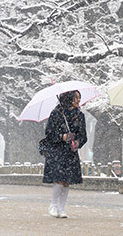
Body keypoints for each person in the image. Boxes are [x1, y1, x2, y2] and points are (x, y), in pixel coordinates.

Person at [42, 90, 88, 218]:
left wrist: (78, 142)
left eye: (80, 97)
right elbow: (49, 134)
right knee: (59, 179)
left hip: (71, 152)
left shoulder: (80, 115)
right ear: (69, 98)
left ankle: (62, 208)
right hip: (57, 151)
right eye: (76, 97)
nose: (79, 100)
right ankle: (53, 205)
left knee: (67, 181)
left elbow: (83, 135)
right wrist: (63, 137)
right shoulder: (56, 114)